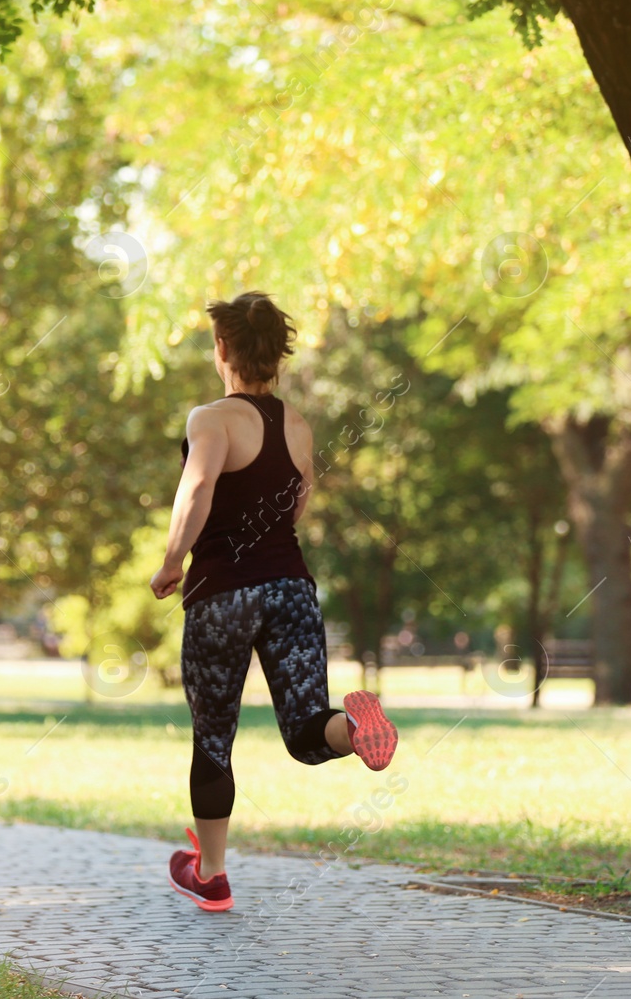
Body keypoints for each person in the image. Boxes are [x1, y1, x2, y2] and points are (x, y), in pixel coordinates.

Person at [150, 292, 397, 912]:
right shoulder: (297, 424)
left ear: (223, 349)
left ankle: (211, 875)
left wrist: (173, 558)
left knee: (213, 740)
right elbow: (300, 498)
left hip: (222, 595)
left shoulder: (209, 419)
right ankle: (357, 725)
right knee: (308, 734)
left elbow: (199, 485)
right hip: (292, 588)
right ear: (276, 357)